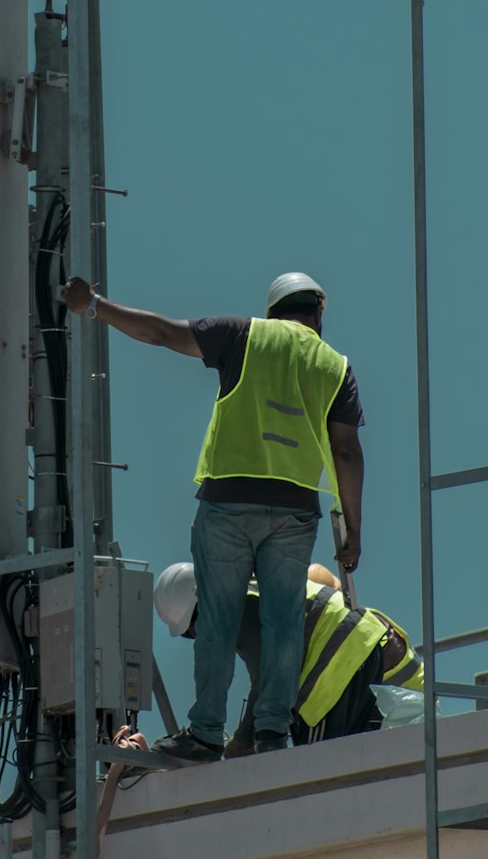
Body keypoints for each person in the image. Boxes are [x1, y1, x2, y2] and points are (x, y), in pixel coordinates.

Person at [59, 269, 365, 763]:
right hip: (294, 510)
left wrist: (94, 304)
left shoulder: (244, 335)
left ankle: (204, 734)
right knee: (283, 623)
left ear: (274, 311)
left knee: (219, 621)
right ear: (318, 311)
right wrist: (352, 527)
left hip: (229, 502)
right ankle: (272, 733)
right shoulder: (335, 366)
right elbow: (347, 452)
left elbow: (160, 331)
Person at [153, 560, 422, 756]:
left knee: (319, 772)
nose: (199, 637)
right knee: (351, 765)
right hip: (357, 649)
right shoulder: (253, 591)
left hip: (339, 667)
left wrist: (242, 741)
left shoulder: (240, 610)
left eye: (193, 627)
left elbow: (269, 680)